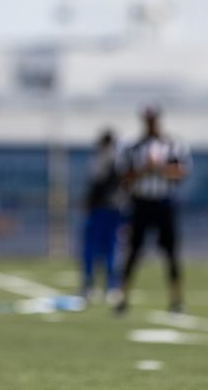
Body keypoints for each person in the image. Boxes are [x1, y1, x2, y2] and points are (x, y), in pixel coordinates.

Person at [115, 106, 191, 315]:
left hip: (164, 202)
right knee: (132, 251)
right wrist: (144, 170)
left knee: (171, 253)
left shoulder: (173, 144)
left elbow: (181, 172)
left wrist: (159, 169)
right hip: (140, 202)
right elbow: (123, 176)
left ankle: (176, 299)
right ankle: (122, 295)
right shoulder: (130, 146)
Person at [81, 129, 123, 302]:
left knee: (96, 248)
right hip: (112, 208)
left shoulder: (103, 159)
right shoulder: (117, 159)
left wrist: (89, 203)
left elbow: (96, 184)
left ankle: (91, 285)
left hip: (102, 209)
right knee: (110, 248)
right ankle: (110, 286)